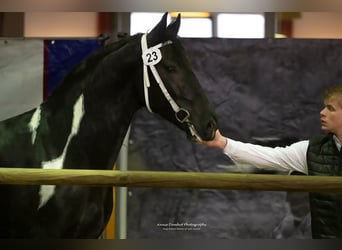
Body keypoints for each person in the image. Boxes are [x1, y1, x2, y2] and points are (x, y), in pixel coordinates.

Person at [201, 84, 342, 239]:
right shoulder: (312, 150)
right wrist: (222, 142)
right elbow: (267, 156)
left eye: (330, 108)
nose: (322, 113)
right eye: (324, 107)